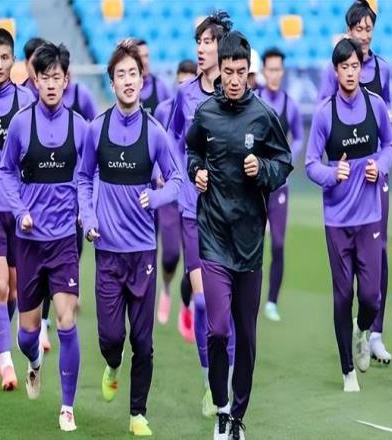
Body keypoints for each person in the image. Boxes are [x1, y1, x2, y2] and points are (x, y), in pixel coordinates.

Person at [187, 31, 292, 439]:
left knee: (246, 335)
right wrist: (197, 171)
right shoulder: (206, 114)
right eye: (227, 72)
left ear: (249, 72)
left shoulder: (264, 116)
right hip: (214, 237)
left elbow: (283, 162)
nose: (233, 79)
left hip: (249, 243)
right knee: (218, 329)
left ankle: (237, 416)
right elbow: (192, 150)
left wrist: (262, 170)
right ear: (221, 71)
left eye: (240, 72)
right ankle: (220, 406)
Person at [78, 39, 182, 437]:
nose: (127, 80)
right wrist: (88, 217)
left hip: (143, 253)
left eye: (132, 74)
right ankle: (112, 364)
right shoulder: (96, 129)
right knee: (111, 338)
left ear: (142, 80)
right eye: (120, 74)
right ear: (112, 82)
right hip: (107, 250)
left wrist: (155, 197)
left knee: (143, 340)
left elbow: (177, 180)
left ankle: (138, 413)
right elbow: (83, 178)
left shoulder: (155, 133)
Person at [0, 42, 86, 431]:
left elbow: (90, 175)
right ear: (35, 81)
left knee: (67, 321)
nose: (51, 84)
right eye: (44, 77)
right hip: (29, 242)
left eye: (57, 77)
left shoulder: (80, 127)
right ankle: (34, 362)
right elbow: (6, 171)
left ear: (66, 81)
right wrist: (21, 211)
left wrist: (85, 209)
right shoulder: (21, 124)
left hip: (65, 240)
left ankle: (67, 407)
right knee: (27, 335)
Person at [305, 38, 392, 392]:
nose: (350, 73)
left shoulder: (375, 106)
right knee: (343, 295)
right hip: (338, 221)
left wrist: (380, 167)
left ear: (361, 68)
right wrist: (333, 174)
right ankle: (347, 371)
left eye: (355, 66)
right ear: (336, 71)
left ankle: (364, 330)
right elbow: (311, 164)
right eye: (344, 67)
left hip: (370, 215)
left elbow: (390, 145)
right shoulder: (324, 114)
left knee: (371, 297)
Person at [167, 10, 236, 418]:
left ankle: (228, 378)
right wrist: (183, 173)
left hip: (229, 212)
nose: (201, 48)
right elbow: (174, 138)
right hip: (193, 210)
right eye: (199, 42)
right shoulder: (185, 95)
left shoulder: (235, 92)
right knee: (202, 300)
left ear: (222, 47)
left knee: (226, 304)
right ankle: (211, 380)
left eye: (208, 42)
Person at [0, 28, 34, 390]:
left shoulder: (26, 103)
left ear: (12, 61)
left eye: (4, 58)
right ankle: (6, 362)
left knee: (15, 290)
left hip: (18, 210)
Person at [258, 47, 304, 322]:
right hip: (254, 185)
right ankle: (248, 296)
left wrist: (288, 159)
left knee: (277, 243)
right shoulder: (254, 101)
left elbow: (298, 137)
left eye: (278, 70)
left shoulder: (290, 105)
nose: (274, 74)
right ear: (264, 71)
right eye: (270, 69)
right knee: (251, 244)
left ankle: (272, 302)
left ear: (282, 72)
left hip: (279, 186)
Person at [153, 59, 197, 328]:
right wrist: (158, 172)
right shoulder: (163, 110)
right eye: (181, 82)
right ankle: (167, 288)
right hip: (170, 193)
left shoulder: (202, 108)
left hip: (194, 193)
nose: (184, 88)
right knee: (170, 254)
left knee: (194, 259)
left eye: (189, 83)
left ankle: (187, 304)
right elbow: (157, 144)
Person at [136, 39, 172, 116]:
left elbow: (172, 114)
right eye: (140, 57)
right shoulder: (128, 87)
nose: (145, 61)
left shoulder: (160, 86)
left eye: (146, 56)